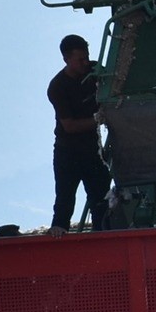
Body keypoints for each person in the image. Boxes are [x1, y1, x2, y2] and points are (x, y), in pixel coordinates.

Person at [48, 34, 111, 232]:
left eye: (87, 57)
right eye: (80, 60)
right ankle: (58, 237)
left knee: (102, 199)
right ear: (66, 59)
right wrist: (101, 119)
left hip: (92, 149)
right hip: (68, 152)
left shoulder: (95, 71)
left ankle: (104, 237)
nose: (85, 63)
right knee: (65, 200)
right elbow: (70, 126)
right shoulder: (57, 87)